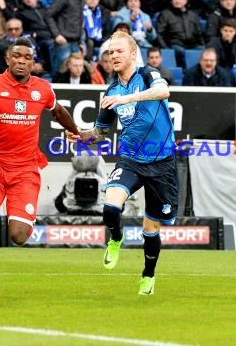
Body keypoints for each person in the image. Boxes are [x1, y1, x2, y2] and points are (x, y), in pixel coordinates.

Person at [0, 37, 85, 275]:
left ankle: (22, 219)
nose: (21, 61)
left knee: (19, 235)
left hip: (25, 170)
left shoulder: (42, 88)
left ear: (33, 63)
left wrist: (75, 131)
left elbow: (57, 110)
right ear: (7, 59)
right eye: (16, 56)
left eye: (27, 58)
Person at [70, 31, 177, 295]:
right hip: (130, 159)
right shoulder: (111, 91)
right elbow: (100, 132)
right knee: (110, 207)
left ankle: (148, 276)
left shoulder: (147, 75)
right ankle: (116, 238)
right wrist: (85, 135)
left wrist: (127, 99)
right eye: (110, 52)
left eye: (119, 51)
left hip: (162, 163)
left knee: (151, 229)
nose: (114, 56)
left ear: (132, 53)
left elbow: (164, 91)